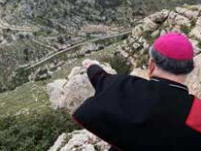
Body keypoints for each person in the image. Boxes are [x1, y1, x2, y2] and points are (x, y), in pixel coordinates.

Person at [72, 32, 201, 151]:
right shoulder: (197, 111)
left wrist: (91, 65)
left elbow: (101, 78)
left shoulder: (128, 88)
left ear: (151, 65)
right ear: (190, 68)